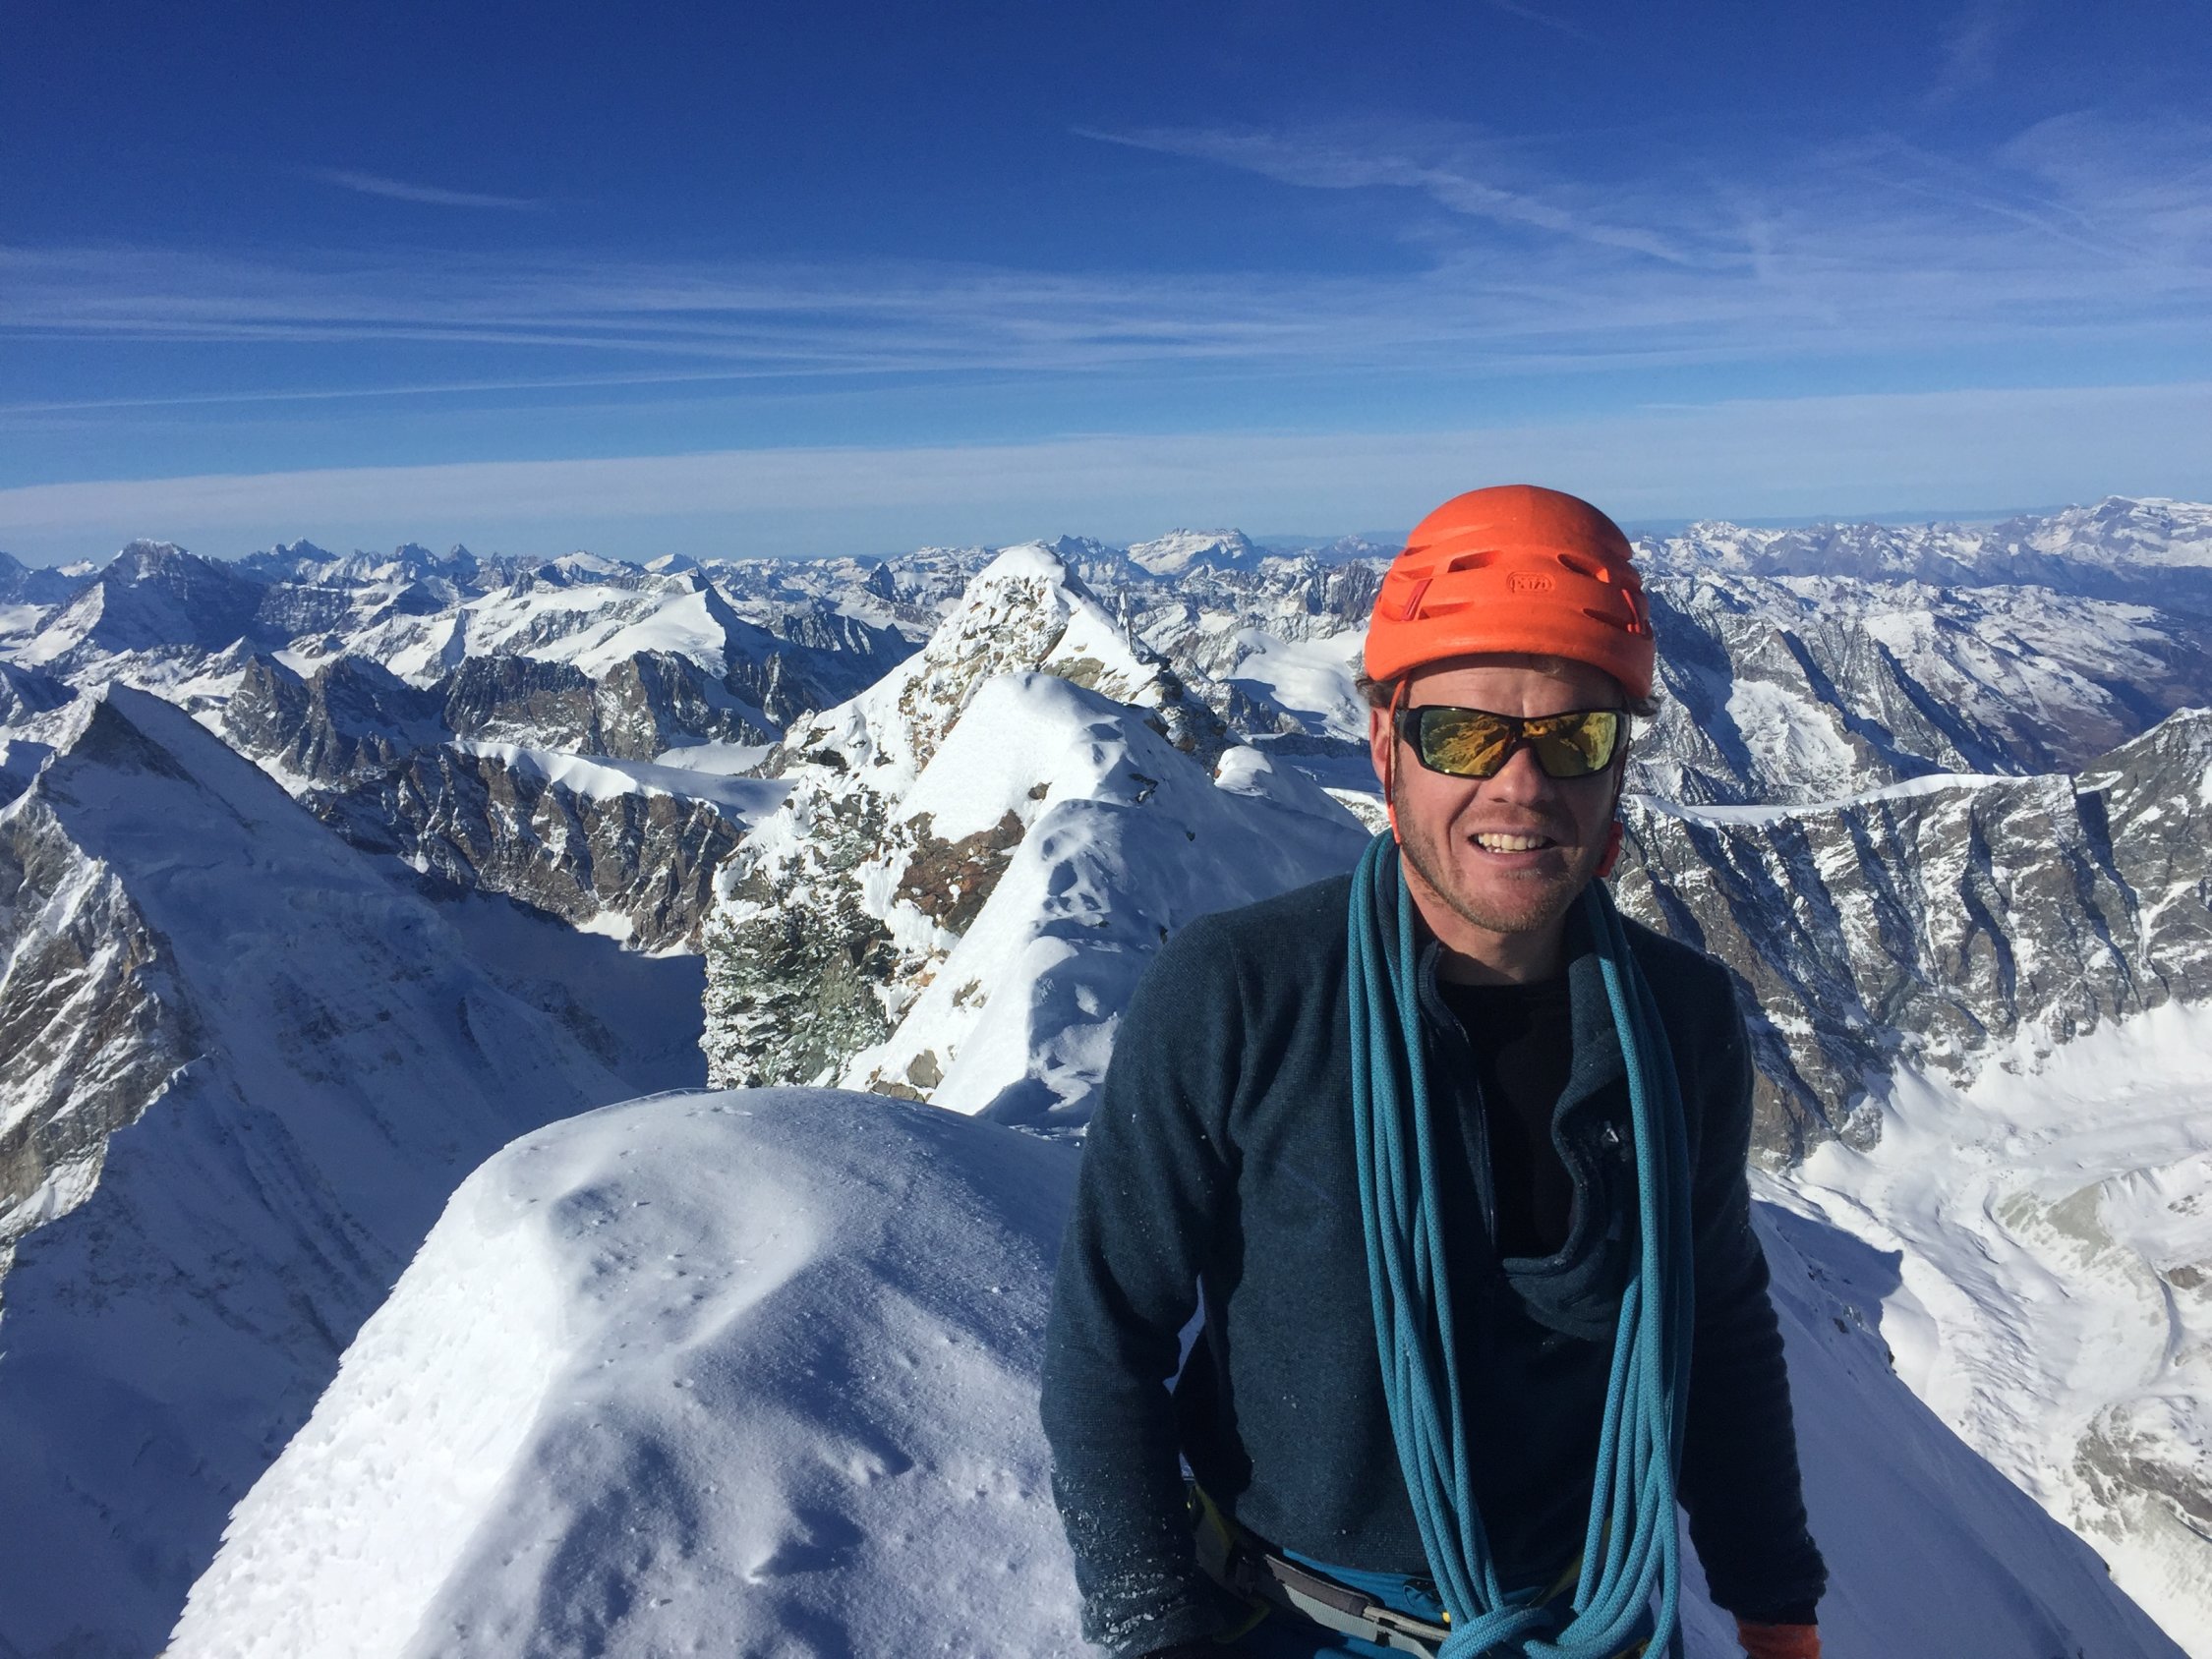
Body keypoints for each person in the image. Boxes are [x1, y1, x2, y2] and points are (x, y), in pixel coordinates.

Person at [1040, 486, 1826, 1659]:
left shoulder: (1679, 1016)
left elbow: (1713, 1323)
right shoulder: (1240, 993)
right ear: (1385, 746)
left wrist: (1774, 1606)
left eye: (1575, 735)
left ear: (1619, 767)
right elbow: (1106, 1343)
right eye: (1463, 733)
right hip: (1287, 1621)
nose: (1522, 783)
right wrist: (1156, 1626)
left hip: (1583, 1615)